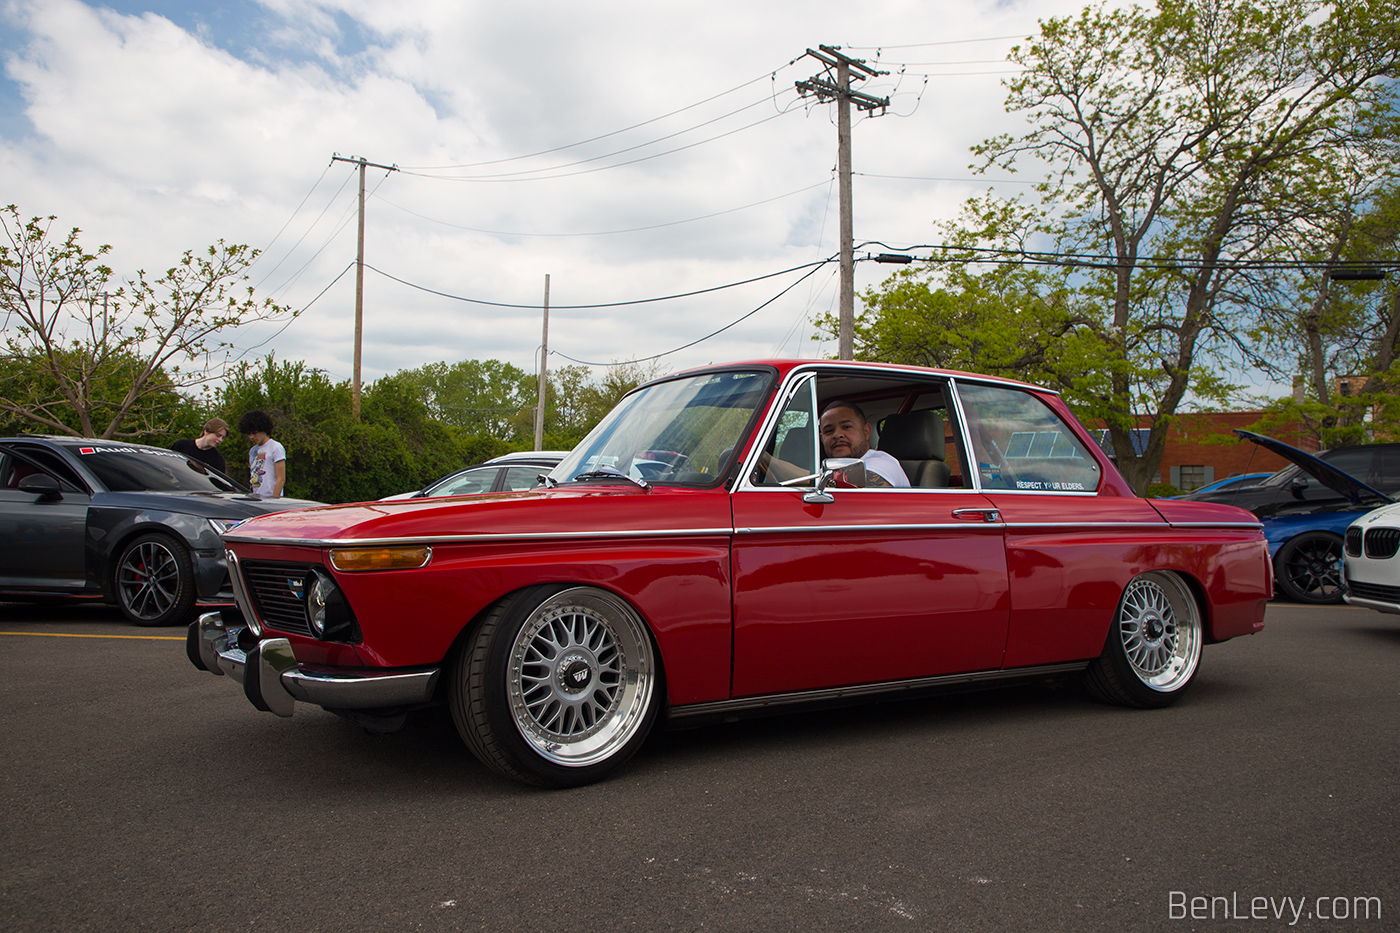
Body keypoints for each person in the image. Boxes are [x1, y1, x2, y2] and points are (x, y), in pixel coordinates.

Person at [817, 400, 910, 488]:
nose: (837, 435)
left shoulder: (883, 463)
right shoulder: (825, 469)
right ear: (822, 439)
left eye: (846, 427)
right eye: (829, 431)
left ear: (866, 432)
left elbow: (863, 487)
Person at [237, 409, 286, 498]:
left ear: (263, 429)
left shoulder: (275, 447)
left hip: (271, 499)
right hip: (256, 497)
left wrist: (274, 499)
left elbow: (281, 478)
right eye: (249, 434)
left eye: (255, 433)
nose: (252, 437)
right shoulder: (252, 451)